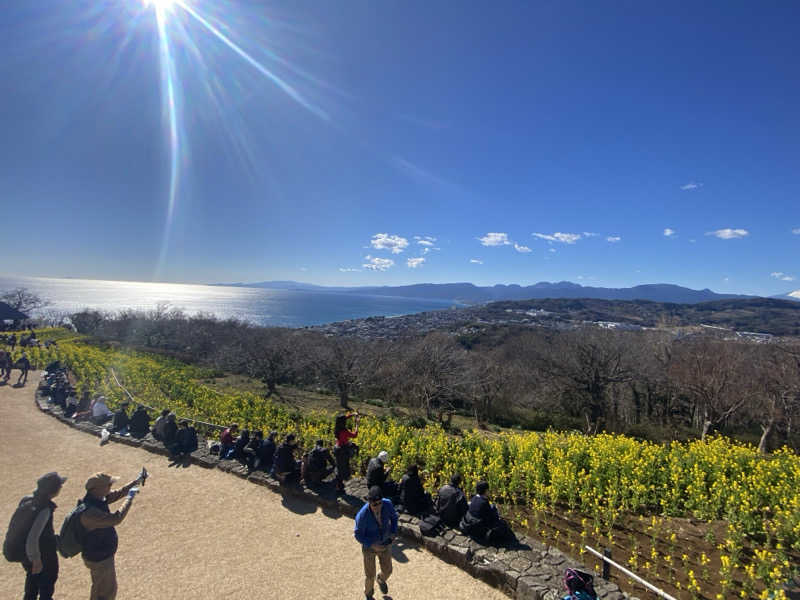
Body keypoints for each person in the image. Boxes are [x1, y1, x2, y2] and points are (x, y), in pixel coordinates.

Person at [79, 471, 144, 600]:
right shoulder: (89, 512)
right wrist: (129, 498)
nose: (110, 487)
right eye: (108, 485)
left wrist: (137, 481)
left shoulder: (97, 498)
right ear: (97, 488)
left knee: (99, 588)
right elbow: (116, 518)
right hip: (100, 558)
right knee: (107, 592)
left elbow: (118, 493)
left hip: (100, 555)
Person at [5, 472, 67, 600]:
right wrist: (36, 559)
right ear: (53, 491)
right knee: (46, 588)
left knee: (31, 586)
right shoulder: (45, 509)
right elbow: (33, 537)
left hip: (26, 555)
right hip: (41, 555)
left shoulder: (26, 500)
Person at [354, 485, 398, 600]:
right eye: (375, 504)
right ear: (369, 502)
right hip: (370, 548)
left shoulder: (387, 504)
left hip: (385, 543)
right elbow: (358, 534)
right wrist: (372, 545)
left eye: (379, 503)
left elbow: (394, 518)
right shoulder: (362, 516)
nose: (378, 506)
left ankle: (381, 579)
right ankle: (368, 594)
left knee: (388, 571)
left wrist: (393, 532)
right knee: (370, 576)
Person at [459, 480, 513, 545]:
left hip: (469, 523)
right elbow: (492, 517)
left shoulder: (474, 498)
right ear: (486, 491)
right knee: (502, 526)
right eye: (488, 490)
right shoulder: (484, 502)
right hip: (478, 528)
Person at [334, 412, 360, 491]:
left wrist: (353, 414)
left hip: (337, 447)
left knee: (339, 465)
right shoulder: (344, 431)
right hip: (343, 450)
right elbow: (355, 435)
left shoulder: (337, 427)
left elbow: (344, 417)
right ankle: (339, 486)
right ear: (343, 422)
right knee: (343, 466)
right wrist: (357, 425)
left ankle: (339, 484)